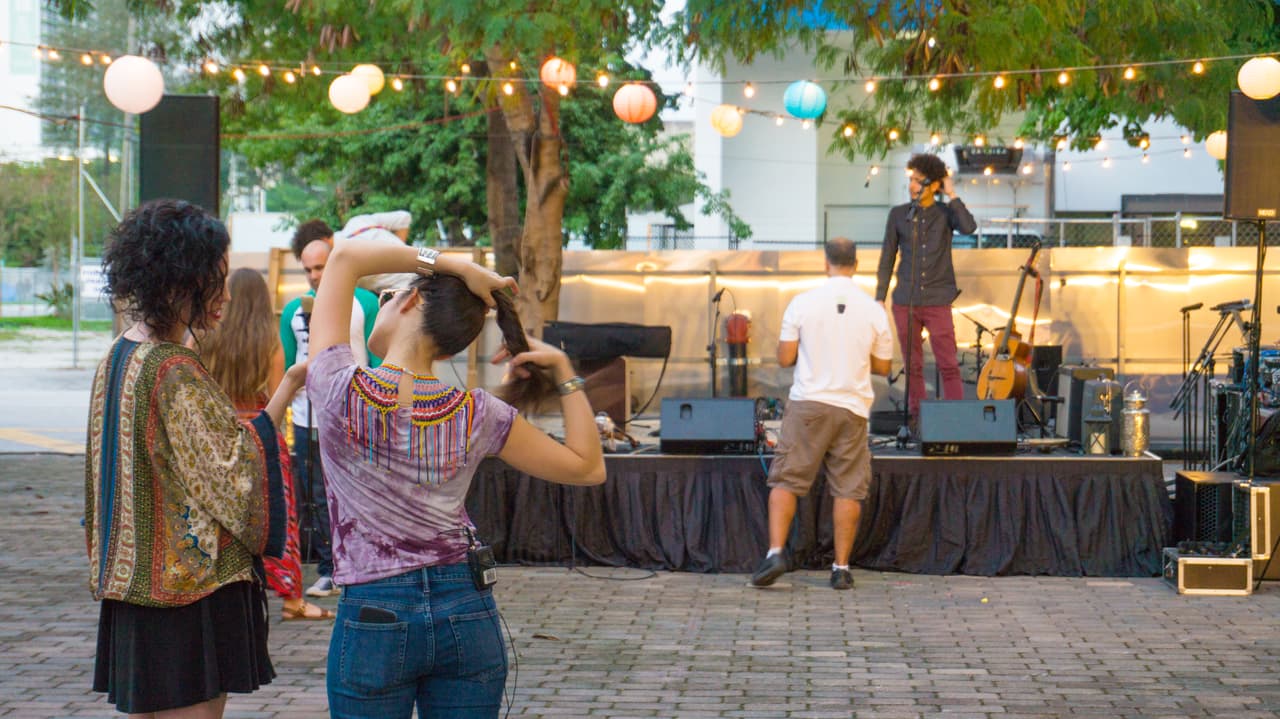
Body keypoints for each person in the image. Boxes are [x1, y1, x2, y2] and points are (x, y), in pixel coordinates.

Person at [307, 239, 605, 717]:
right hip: (465, 607)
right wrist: (566, 373)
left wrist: (455, 266)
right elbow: (588, 467)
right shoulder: (478, 413)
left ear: (412, 300)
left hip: (374, 610)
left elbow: (346, 258)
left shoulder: (336, 385)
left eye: (388, 296)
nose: (383, 303)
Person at [85, 199, 302, 717]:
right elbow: (231, 470)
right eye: (216, 280)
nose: (225, 295)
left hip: (131, 587)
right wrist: (289, 387)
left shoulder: (118, 354)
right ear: (181, 281)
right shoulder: (173, 368)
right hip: (189, 590)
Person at [752, 237, 893, 591]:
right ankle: (841, 568)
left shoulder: (802, 303)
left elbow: (785, 358)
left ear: (825, 263)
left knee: (786, 480)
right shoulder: (874, 310)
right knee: (848, 488)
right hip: (852, 408)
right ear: (856, 265)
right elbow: (883, 366)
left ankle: (775, 553)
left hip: (809, 405)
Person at [198, 267, 334, 621]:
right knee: (279, 516)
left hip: (217, 435)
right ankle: (292, 599)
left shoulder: (206, 340)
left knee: (220, 517)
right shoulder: (270, 346)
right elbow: (277, 400)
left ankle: (220, 586)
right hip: (259, 436)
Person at [281, 221, 381, 598]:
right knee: (317, 495)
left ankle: (363, 563)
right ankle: (329, 567)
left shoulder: (365, 303)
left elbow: (377, 359)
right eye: (307, 269)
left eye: (320, 267)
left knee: (358, 489)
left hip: (355, 413)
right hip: (308, 415)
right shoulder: (294, 310)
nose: (314, 275)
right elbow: (287, 364)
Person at [875, 153, 977, 423]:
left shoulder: (946, 213)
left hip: (938, 299)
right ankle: (918, 421)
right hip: (905, 299)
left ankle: (956, 421)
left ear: (933, 185)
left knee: (948, 363)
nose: (912, 186)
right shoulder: (899, 214)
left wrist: (952, 193)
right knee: (913, 366)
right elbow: (887, 256)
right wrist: (879, 297)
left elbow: (969, 227)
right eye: (911, 180)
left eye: (918, 181)